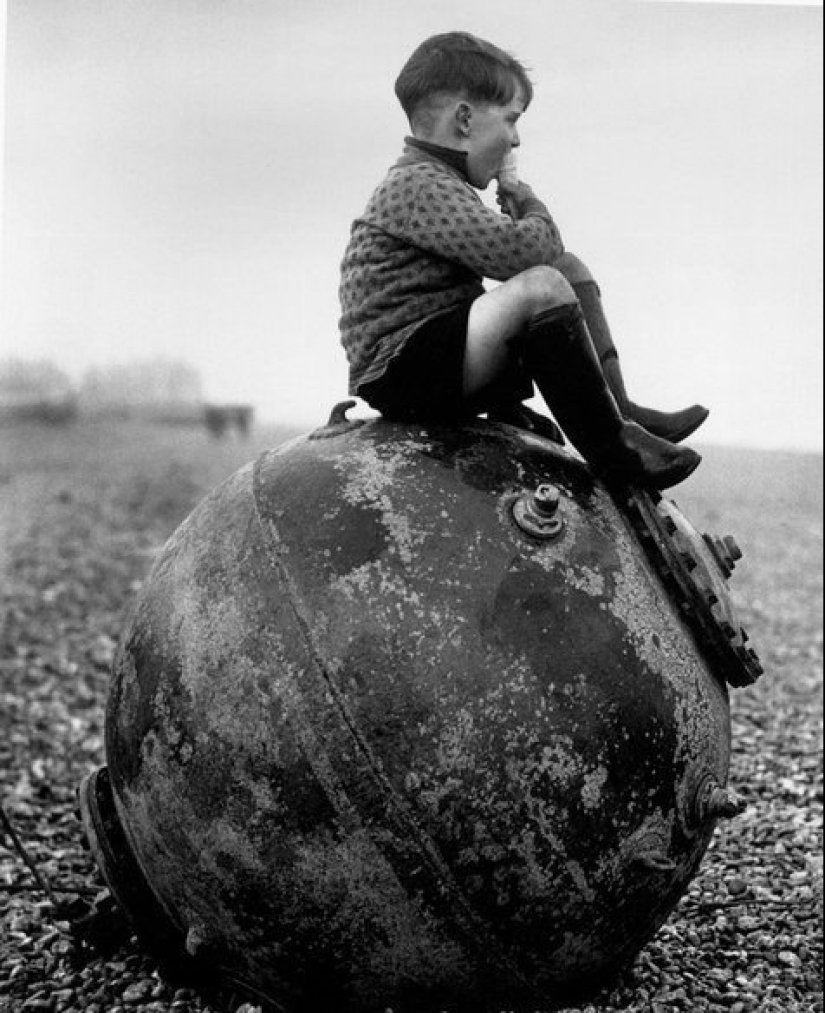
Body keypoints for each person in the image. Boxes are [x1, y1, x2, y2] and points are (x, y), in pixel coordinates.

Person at [338, 31, 708, 489]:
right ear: (465, 119)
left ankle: (620, 409)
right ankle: (615, 450)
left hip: (435, 355)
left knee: (567, 270)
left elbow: (540, 261)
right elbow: (527, 254)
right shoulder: (417, 184)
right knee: (543, 286)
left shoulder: (439, 181)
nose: (515, 141)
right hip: (400, 369)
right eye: (511, 120)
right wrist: (526, 200)